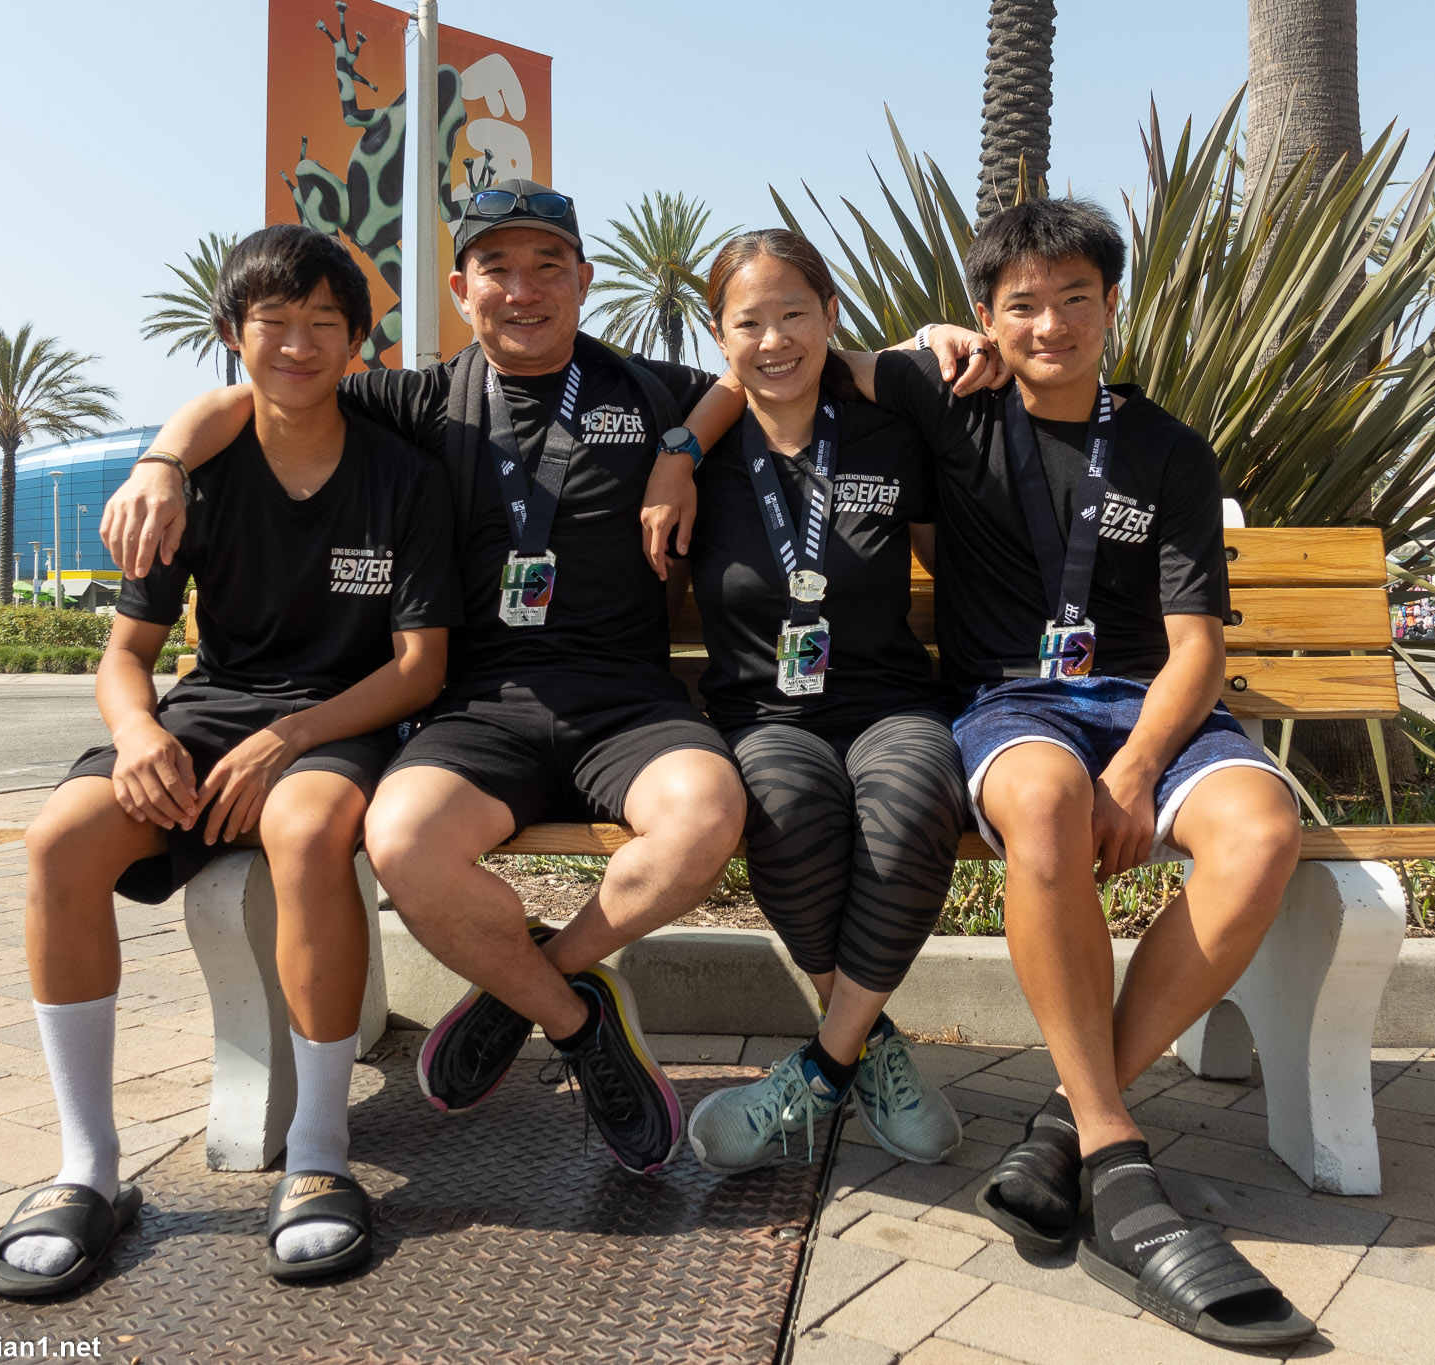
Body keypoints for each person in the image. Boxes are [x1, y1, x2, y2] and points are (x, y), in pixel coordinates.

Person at [103, 182, 1005, 1177]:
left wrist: (686, 444)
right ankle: (580, 1024)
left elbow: (765, 365)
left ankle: (521, 986)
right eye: (496, 268)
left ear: (584, 279)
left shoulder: (650, 388)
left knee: (708, 813)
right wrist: (159, 458)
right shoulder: (415, 401)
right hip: (479, 709)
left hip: (629, 703)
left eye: (546, 267)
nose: (521, 290)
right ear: (461, 287)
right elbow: (267, 383)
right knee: (401, 838)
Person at [856, 199, 1314, 1347]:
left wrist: (1143, 765)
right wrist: (918, 343)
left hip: (1143, 706)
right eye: (1021, 303)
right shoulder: (946, 404)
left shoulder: (1163, 446)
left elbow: (1196, 646)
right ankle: (1115, 1153)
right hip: (1009, 702)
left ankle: (1068, 1121)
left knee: (1260, 830)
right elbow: (795, 351)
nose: (1049, 322)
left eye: (1074, 298)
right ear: (986, 316)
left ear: (1111, 305)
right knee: (1044, 801)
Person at [0, 224, 458, 1296]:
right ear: (231, 336)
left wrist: (293, 736)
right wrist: (143, 733)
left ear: (357, 345)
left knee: (302, 834)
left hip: (343, 719)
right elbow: (126, 656)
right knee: (57, 839)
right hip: (205, 718)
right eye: (272, 325)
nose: (296, 345)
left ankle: (321, 1156)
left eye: (321, 327)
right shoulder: (193, 472)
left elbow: (418, 668)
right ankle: (90, 1170)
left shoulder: (403, 477)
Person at [677, 231, 967, 1174]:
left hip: (890, 700)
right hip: (765, 714)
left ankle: (821, 1065)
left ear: (832, 315)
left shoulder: (890, 430)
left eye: (794, 313)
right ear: (718, 338)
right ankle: (871, 1047)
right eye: (747, 322)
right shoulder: (699, 449)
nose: (773, 340)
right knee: (790, 805)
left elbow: (967, 541)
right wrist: (674, 452)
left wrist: (940, 340)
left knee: (915, 796)